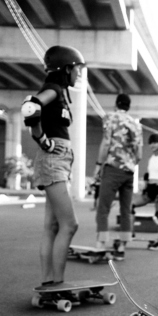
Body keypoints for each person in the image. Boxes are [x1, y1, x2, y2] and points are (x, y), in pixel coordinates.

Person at [21, 45, 85, 290]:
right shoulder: (53, 89)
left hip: (58, 160)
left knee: (52, 226)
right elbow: (31, 106)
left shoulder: (59, 92)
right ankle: (58, 283)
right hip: (53, 160)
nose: (78, 75)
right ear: (65, 69)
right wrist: (44, 141)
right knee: (70, 224)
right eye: (76, 69)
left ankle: (49, 281)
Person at [93, 93, 143, 260]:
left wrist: (99, 165)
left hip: (113, 168)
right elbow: (140, 154)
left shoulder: (110, 118)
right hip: (129, 172)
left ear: (116, 104)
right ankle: (121, 248)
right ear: (128, 106)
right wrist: (130, 163)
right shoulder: (136, 124)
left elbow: (107, 142)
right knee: (125, 210)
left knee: (103, 208)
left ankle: (101, 245)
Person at [131, 133, 158, 250]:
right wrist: (145, 187)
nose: (152, 145)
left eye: (155, 142)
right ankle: (131, 232)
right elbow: (148, 175)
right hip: (150, 189)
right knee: (130, 206)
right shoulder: (151, 158)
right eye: (151, 143)